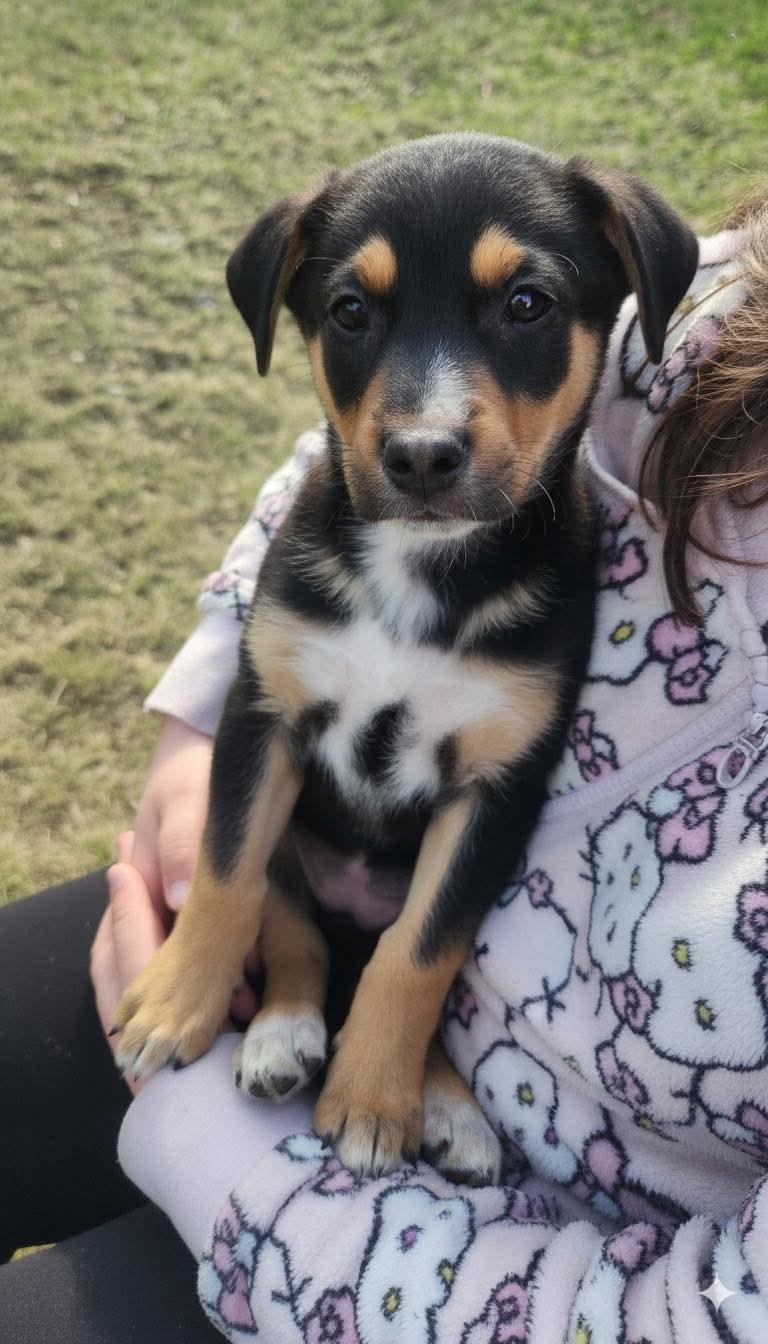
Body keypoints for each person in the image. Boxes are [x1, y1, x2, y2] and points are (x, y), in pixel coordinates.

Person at [2, 197, 768, 1344]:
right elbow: (332, 471)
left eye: (522, 306)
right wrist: (218, 694)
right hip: (287, 907)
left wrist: (230, 1155)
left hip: (502, 1247)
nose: (424, 427)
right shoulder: (720, 310)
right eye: (352, 311)